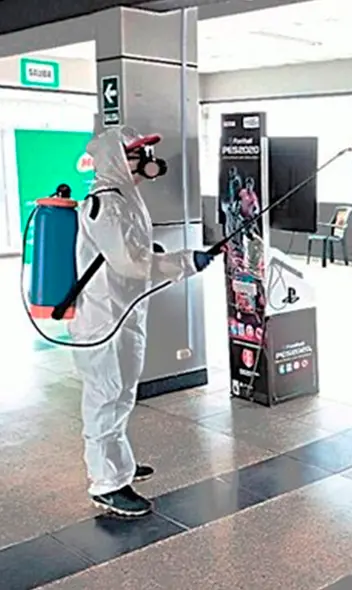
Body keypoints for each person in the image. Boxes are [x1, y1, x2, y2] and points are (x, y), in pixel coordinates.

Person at [70, 127, 216, 517]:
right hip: (102, 319)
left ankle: (119, 463)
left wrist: (161, 255)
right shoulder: (105, 203)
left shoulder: (125, 196)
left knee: (122, 392)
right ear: (117, 160)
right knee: (105, 396)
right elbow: (131, 263)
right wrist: (185, 261)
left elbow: (131, 250)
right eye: (138, 154)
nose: (149, 161)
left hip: (125, 310)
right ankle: (107, 484)